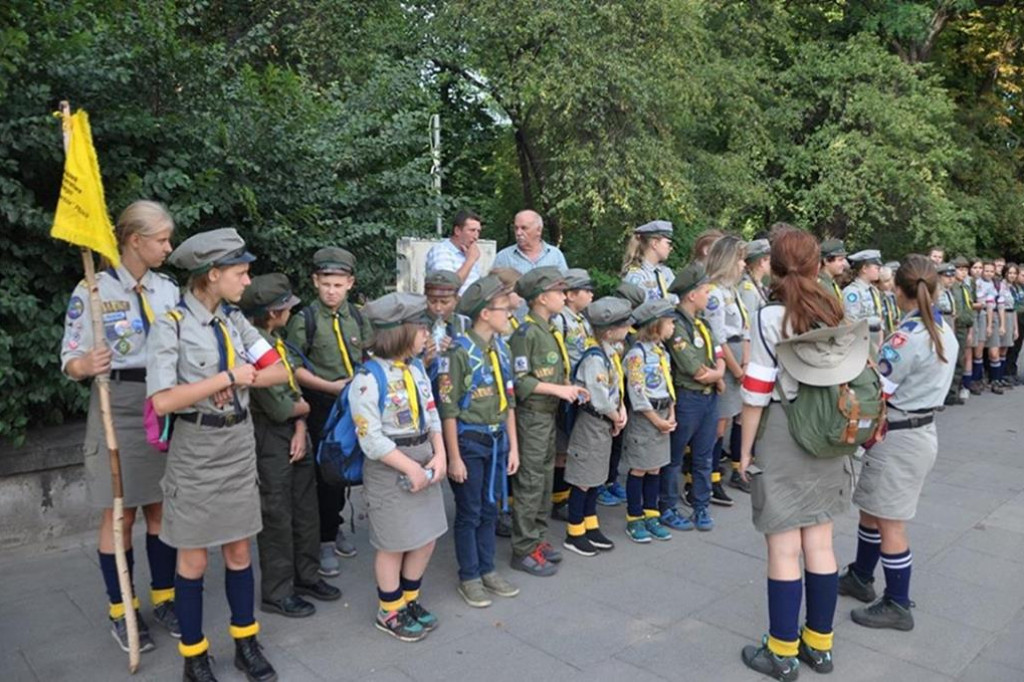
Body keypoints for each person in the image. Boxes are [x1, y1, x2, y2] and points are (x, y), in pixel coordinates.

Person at [147, 228, 289, 682]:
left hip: (237, 447)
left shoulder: (235, 322)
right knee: (193, 561)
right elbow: (163, 401)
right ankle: (194, 656)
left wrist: (244, 376)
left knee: (240, 551)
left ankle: (246, 642)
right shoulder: (171, 325)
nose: (247, 281)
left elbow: (279, 370)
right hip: (196, 451)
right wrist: (227, 378)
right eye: (240, 273)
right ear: (213, 274)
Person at [60, 200, 181, 653]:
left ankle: (165, 597)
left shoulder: (167, 290)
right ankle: (122, 607)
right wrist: (84, 364)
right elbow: (69, 357)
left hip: (163, 400)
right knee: (121, 513)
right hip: (119, 404)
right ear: (135, 240)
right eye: (161, 240)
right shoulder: (93, 291)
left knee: (161, 507)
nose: (168, 248)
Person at [737, 229, 854, 680]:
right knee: (820, 542)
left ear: (773, 265)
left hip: (785, 431)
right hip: (828, 431)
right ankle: (820, 647)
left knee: (784, 547)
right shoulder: (833, 308)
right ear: (816, 265)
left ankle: (782, 652)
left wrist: (745, 451)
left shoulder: (769, 315)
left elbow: (757, 389)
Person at [840, 255, 957, 632]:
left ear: (898, 291)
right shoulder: (941, 330)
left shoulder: (908, 337)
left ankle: (897, 603)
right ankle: (861, 575)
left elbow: (881, 389)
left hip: (899, 436)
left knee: (891, 523)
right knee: (872, 509)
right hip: (916, 432)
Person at [240, 274, 341, 620]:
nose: (291, 311)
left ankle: (306, 576)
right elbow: (279, 404)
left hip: (294, 431)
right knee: (277, 513)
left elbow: (292, 390)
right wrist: (303, 410)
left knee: (305, 507)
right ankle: (278, 591)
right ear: (272, 313)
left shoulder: (276, 342)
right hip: (271, 435)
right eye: (286, 307)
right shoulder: (254, 346)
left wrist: (301, 423)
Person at [348, 293, 448, 642]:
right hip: (390, 466)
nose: (427, 335)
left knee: (425, 538)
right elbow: (371, 438)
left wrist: (440, 454)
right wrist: (410, 468)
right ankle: (389, 609)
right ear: (400, 332)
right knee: (393, 543)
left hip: (423, 456)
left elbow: (432, 413)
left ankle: (409, 599)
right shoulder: (368, 378)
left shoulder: (416, 368)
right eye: (421, 328)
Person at [287, 247, 374, 577]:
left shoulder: (358, 317)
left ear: (350, 283)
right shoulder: (305, 320)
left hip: (353, 402)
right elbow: (292, 368)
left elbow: (368, 353)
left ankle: (334, 524)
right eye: (326, 284)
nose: (331, 291)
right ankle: (323, 538)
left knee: (348, 467)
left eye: (338, 285)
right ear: (315, 281)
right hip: (322, 404)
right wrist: (330, 386)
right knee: (325, 473)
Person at [439, 275, 521, 608]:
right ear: (485, 314)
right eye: (504, 309)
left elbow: (509, 401)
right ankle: (469, 576)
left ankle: (488, 569)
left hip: (498, 441)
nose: (510, 314)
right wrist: (454, 458)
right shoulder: (458, 353)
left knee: (491, 509)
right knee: (470, 511)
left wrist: (513, 447)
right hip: (469, 443)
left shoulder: (501, 349)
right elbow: (448, 410)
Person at [508, 267, 589, 576]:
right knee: (530, 482)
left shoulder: (549, 329)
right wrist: (559, 390)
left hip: (548, 415)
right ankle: (523, 548)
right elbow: (520, 380)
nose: (564, 297)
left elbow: (554, 371)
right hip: (532, 417)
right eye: (559, 292)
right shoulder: (526, 333)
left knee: (543, 480)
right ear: (542, 298)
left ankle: (537, 538)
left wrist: (568, 387)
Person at [562, 297, 631, 555]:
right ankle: (574, 532)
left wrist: (620, 410)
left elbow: (615, 386)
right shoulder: (594, 358)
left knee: (595, 478)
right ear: (610, 331)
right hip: (591, 424)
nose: (629, 329)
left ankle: (590, 525)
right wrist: (615, 416)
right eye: (624, 325)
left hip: (604, 422)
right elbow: (599, 398)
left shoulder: (609, 352)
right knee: (583, 479)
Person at [665, 263, 726, 532]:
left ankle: (701, 505)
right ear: (691, 295)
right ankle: (667, 506)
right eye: (705, 291)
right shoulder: (677, 326)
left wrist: (717, 373)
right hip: (688, 398)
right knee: (674, 457)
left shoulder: (702, 323)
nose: (709, 295)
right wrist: (718, 375)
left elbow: (716, 354)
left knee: (704, 457)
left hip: (708, 399)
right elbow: (694, 369)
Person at [621, 299, 679, 540]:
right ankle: (634, 518)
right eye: (670, 323)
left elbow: (668, 383)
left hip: (663, 414)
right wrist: (656, 420)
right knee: (639, 468)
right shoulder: (637, 355)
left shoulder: (661, 351)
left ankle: (651, 514)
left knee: (655, 466)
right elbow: (636, 391)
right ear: (656, 325)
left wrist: (671, 411)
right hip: (646, 418)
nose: (673, 327)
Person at [704, 236, 749, 505]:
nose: (744, 264)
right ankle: (708, 479)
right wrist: (737, 370)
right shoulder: (713, 292)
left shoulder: (731, 290)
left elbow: (744, 327)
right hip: (726, 360)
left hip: (738, 357)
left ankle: (713, 477)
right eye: (740, 259)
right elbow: (718, 337)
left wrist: (746, 362)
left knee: (728, 420)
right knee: (718, 426)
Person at [550, 268, 596, 521]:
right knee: (561, 447)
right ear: (570, 294)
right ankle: (559, 499)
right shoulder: (560, 320)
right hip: (567, 390)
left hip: (581, 390)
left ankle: (565, 494)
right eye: (586, 291)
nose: (591, 295)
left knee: (569, 447)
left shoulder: (582, 320)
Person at [421, 269, 469, 385]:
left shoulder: (464, 323)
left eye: (444, 302)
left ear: (456, 300)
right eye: (432, 301)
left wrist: (456, 351)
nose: (438, 308)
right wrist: (424, 361)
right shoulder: (417, 325)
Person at [424, 209, 485, 294]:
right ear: (457, 231)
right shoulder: (441, 252)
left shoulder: (468, 252)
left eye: (478, 231)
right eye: (472, 230)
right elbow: (447, 287)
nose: (476, 237)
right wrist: (470, 260)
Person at [491, 210, 568, 274]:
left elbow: (566, 284)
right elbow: (492, 286)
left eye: (524, 228)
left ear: (538, 230)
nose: (518, 233)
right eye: (516, 228)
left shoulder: (555, 255)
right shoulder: (503, 257)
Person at [621, 220, 678, 303]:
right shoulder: (636, 276)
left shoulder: (666, 273)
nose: (670, 248)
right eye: (668, 243)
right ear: (655, 243)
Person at [974, 260, 1005, 394]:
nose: (989, 273)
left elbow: (999, 305)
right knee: (978, 352)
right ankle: (977, 379)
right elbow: (983, 303)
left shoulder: (997, 284)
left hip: (993, 317)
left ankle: (995, 380)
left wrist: (1001, 325)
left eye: (991, 271)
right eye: (986, 270)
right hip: (981, 316)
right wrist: (987, 325)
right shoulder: (977, 283)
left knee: (994, 352)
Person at [843, 249, 885, 347]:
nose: (879, 271)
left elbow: (879, 317)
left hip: (875, 339)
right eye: (876, 268)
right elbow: (850, 322)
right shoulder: (853, 292)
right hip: (860, 341)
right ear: (864, 269)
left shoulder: (874, 290)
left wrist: (880, 340)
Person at [935, 263, 963, 406]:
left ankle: (951, 392)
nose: (951, 279)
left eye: (952, 276)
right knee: (940, 361)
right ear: (939, 277)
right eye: (947, 276)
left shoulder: (949, 291)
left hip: (950, 322)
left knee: (952, 359)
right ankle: (938, 397)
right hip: (941, 321)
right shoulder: (935, 292)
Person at [996, 263, 1018, 388]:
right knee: (999, 348)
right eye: (1010, 273)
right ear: (1005, 273)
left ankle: (1001, 376)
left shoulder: (1013, 287)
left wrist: (1015, 328)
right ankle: (996, 377)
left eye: (1014, 273)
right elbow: (1001, 306)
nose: (1012, 275)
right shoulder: (1001, 286)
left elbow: (1014, 308)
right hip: (1002, 316)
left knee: (1005, 348)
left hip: (1010, 315)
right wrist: (1002, 325)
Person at [740, 239, 771, 320]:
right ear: (762, 262)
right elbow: (749, 320)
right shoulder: (748, 289)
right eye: (769, 260)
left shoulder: (758, 285)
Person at [818, 238, 847, 304]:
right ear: (826, 261)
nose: (844, 264)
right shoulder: (820, 286)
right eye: (840, 260)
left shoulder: (831, 283)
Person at [877, 266, 899, 336]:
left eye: (890, 279)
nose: (890, 283)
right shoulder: (877, 298)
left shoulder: (891, 296)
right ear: (878, 283)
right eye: (886, 281)